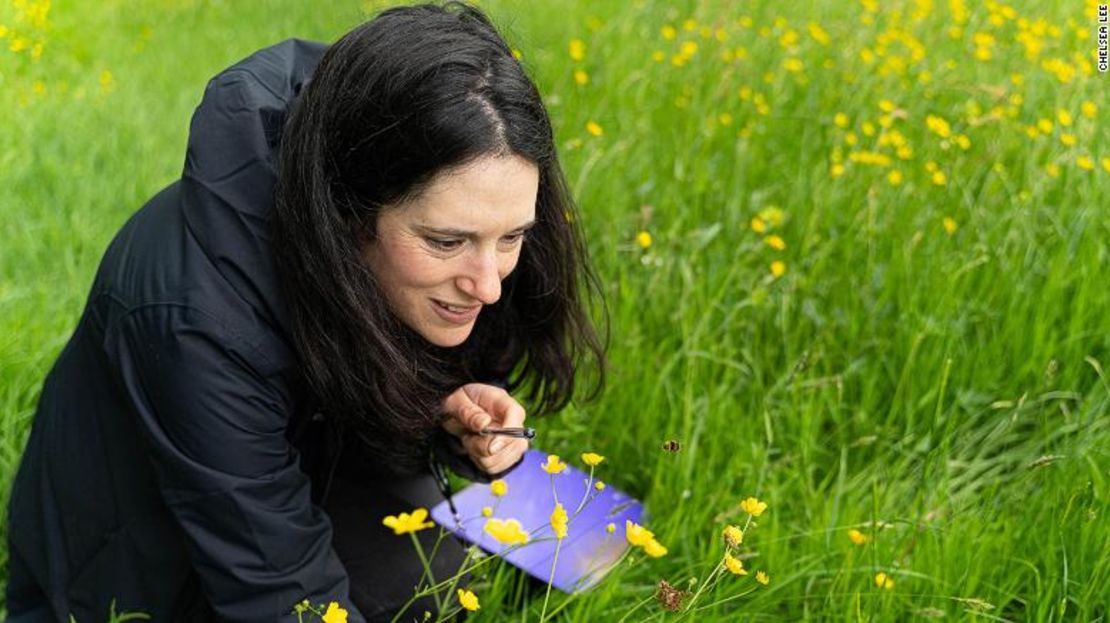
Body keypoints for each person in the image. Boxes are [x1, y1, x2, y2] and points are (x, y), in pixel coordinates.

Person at [5, 3, 606, 621]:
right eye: (447, 242)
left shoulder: (390, 137)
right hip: (150, 562)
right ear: (349, 211)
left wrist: (450, 415)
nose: (489, 287)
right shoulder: (197, 318)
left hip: (321, 451)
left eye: (511, 238)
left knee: (580, 548)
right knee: (416, 597)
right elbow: (281, 591)